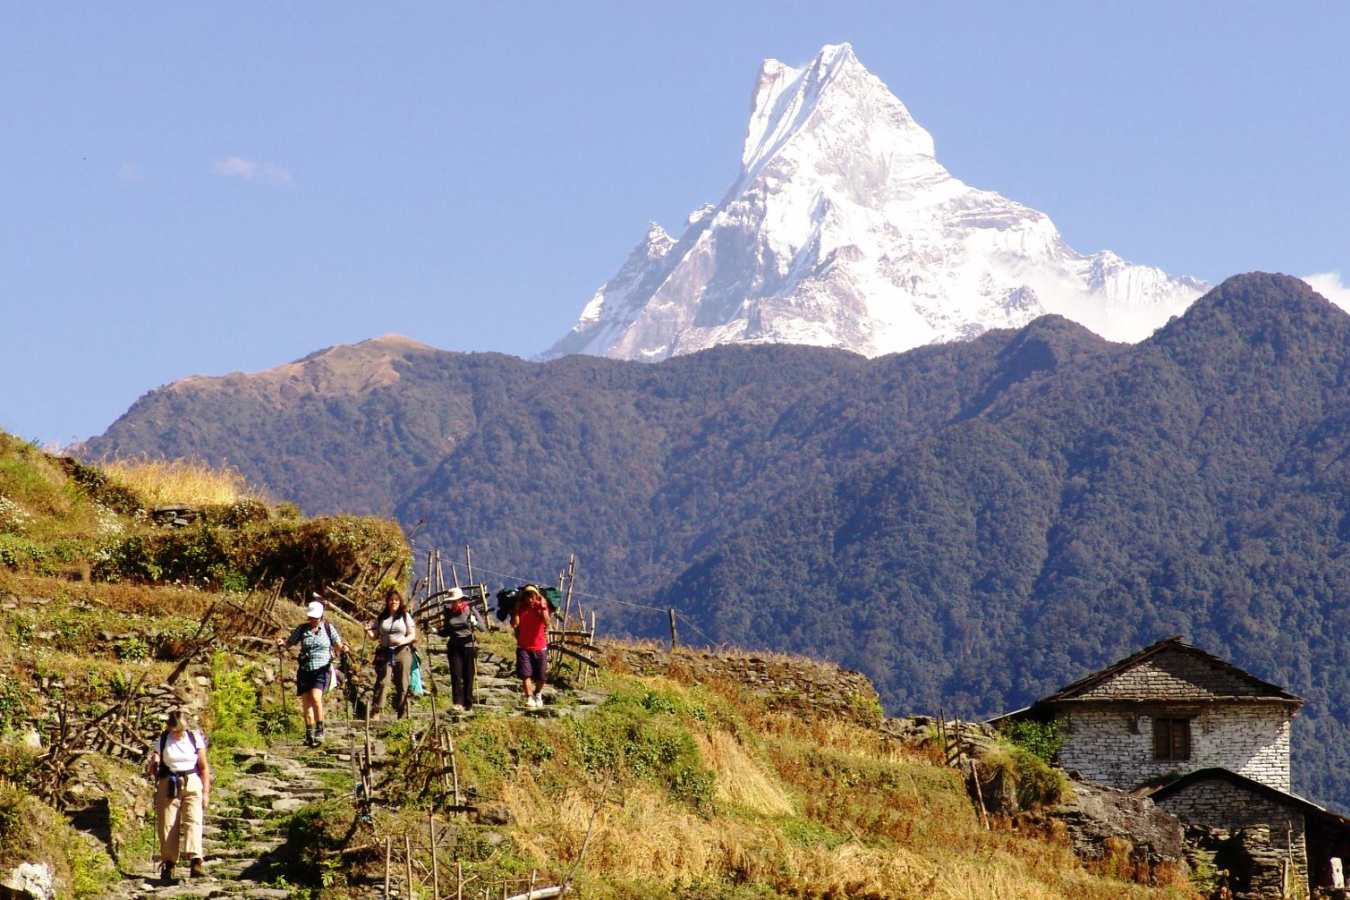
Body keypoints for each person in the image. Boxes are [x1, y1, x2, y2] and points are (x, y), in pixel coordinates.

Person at [144, 709, 211, 884]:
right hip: (169, 782)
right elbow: (154, 763)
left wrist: (205, 793)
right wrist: (154, 762)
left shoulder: (194, 738)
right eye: (173, 730)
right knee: (167, 824)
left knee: (193, 820)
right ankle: (169, 864)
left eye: (179, 730)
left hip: (192, 781)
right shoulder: (163, 739)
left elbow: (203, 767)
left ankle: (196, 861)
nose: (176, 733)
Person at [278, 600, 345, 746]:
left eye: (316, 617)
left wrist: (341, 650)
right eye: (311, 617)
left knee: (315, 697)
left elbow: (338, 645)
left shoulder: (328, 628)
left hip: (322, 668)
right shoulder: (302, 629)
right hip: (305, 669)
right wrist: (282, 644)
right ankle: (309, 734)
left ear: (321, 616)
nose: (313, 620)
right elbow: (290, 642)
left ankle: (320, 731)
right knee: (306, 702)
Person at [367, 587, 416, 720]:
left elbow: (412, 635)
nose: (394, 602)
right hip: (385, 651)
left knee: (403, 682)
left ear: (400, 602)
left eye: (396, 600)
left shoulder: (405, 616)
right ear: (387, 601)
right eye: (391, 600)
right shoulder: (382, 617)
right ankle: (376, 710)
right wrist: (368, 631)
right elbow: (375, 636)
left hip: (402, 651)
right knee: (383, 681)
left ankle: (402, 712)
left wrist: (401, 641)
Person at [438, 587, 481, 711]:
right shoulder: (448, 612)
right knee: (456, 675)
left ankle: (468, 703)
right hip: (454, 646)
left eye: (455, 600)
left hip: (469, 646)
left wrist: (475, 623)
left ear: (461, 599)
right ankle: (457, 702)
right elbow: (446, 631)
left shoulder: (470, 610)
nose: (453, 603)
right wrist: (436, 631)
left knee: (468, 675)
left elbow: (483, 628)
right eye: (451, 601)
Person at [511, 585, 550, 709]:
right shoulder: (521, 608)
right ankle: (529, 697)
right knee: (525, 674)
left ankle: (537, 693)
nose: (530, 599)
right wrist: (516, 610)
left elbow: (547, 622)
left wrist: (543, 607)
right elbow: (515, 624)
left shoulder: (540, 607)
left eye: (532, 596)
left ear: (536, 596)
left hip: (540, 647)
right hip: (523, 647)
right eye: (527, 596)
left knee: (542, 676)